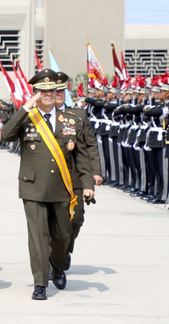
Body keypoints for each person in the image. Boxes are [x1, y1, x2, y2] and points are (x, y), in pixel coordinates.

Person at [0, 69, 94, 300]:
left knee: (63, 234)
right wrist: (25, 107)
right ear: (36, 94)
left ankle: (58, 264)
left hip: (63, 188)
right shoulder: (27, 118)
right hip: (33, 187)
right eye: (44, 91)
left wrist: (88, 183)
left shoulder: (71, 120)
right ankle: (40, 283)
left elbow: (81, 155)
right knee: (38, 236)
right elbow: (5, 135)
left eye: (53, 90)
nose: (50, 94)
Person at [53, 73, 102, 268]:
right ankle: (53, 260)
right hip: (52, 178)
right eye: (53, 91)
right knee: (53, 223)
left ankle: (64, 251)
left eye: (60, 90)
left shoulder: (78, 115)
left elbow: (91, 145)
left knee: (76, 219)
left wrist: (95, 172)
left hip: (76, 177)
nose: (57, 94)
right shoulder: (40, 116)